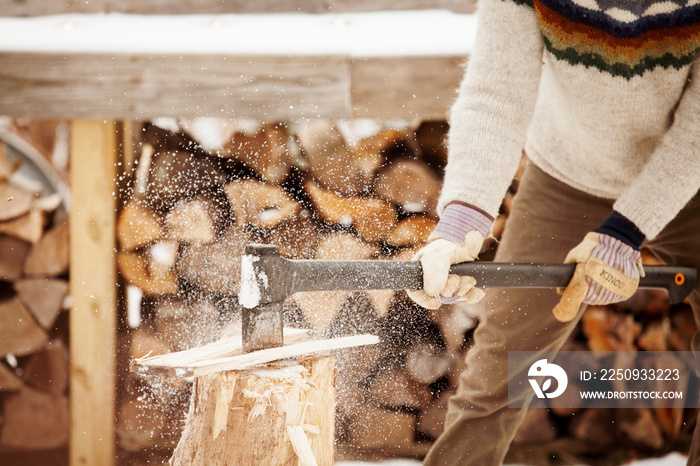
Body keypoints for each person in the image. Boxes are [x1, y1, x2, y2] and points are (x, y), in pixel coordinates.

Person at [406, 0, 700, 464]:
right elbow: (495, 94)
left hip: (689, 184)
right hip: (565, 177)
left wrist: (627, 229)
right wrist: (462, 221)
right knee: (503, 365)